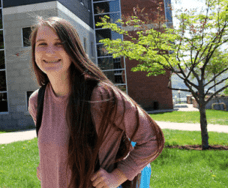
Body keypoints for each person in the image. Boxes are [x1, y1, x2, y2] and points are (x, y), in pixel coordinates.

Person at [28, 17, 165, 188]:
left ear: (73, 50)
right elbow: (55, 148)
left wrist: (118, 176)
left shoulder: (101, 96)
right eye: (42, 44)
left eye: (59, 43)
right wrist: (48, 167)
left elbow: (152, 139)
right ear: (34, 51)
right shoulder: (37, 101)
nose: (49, 51)